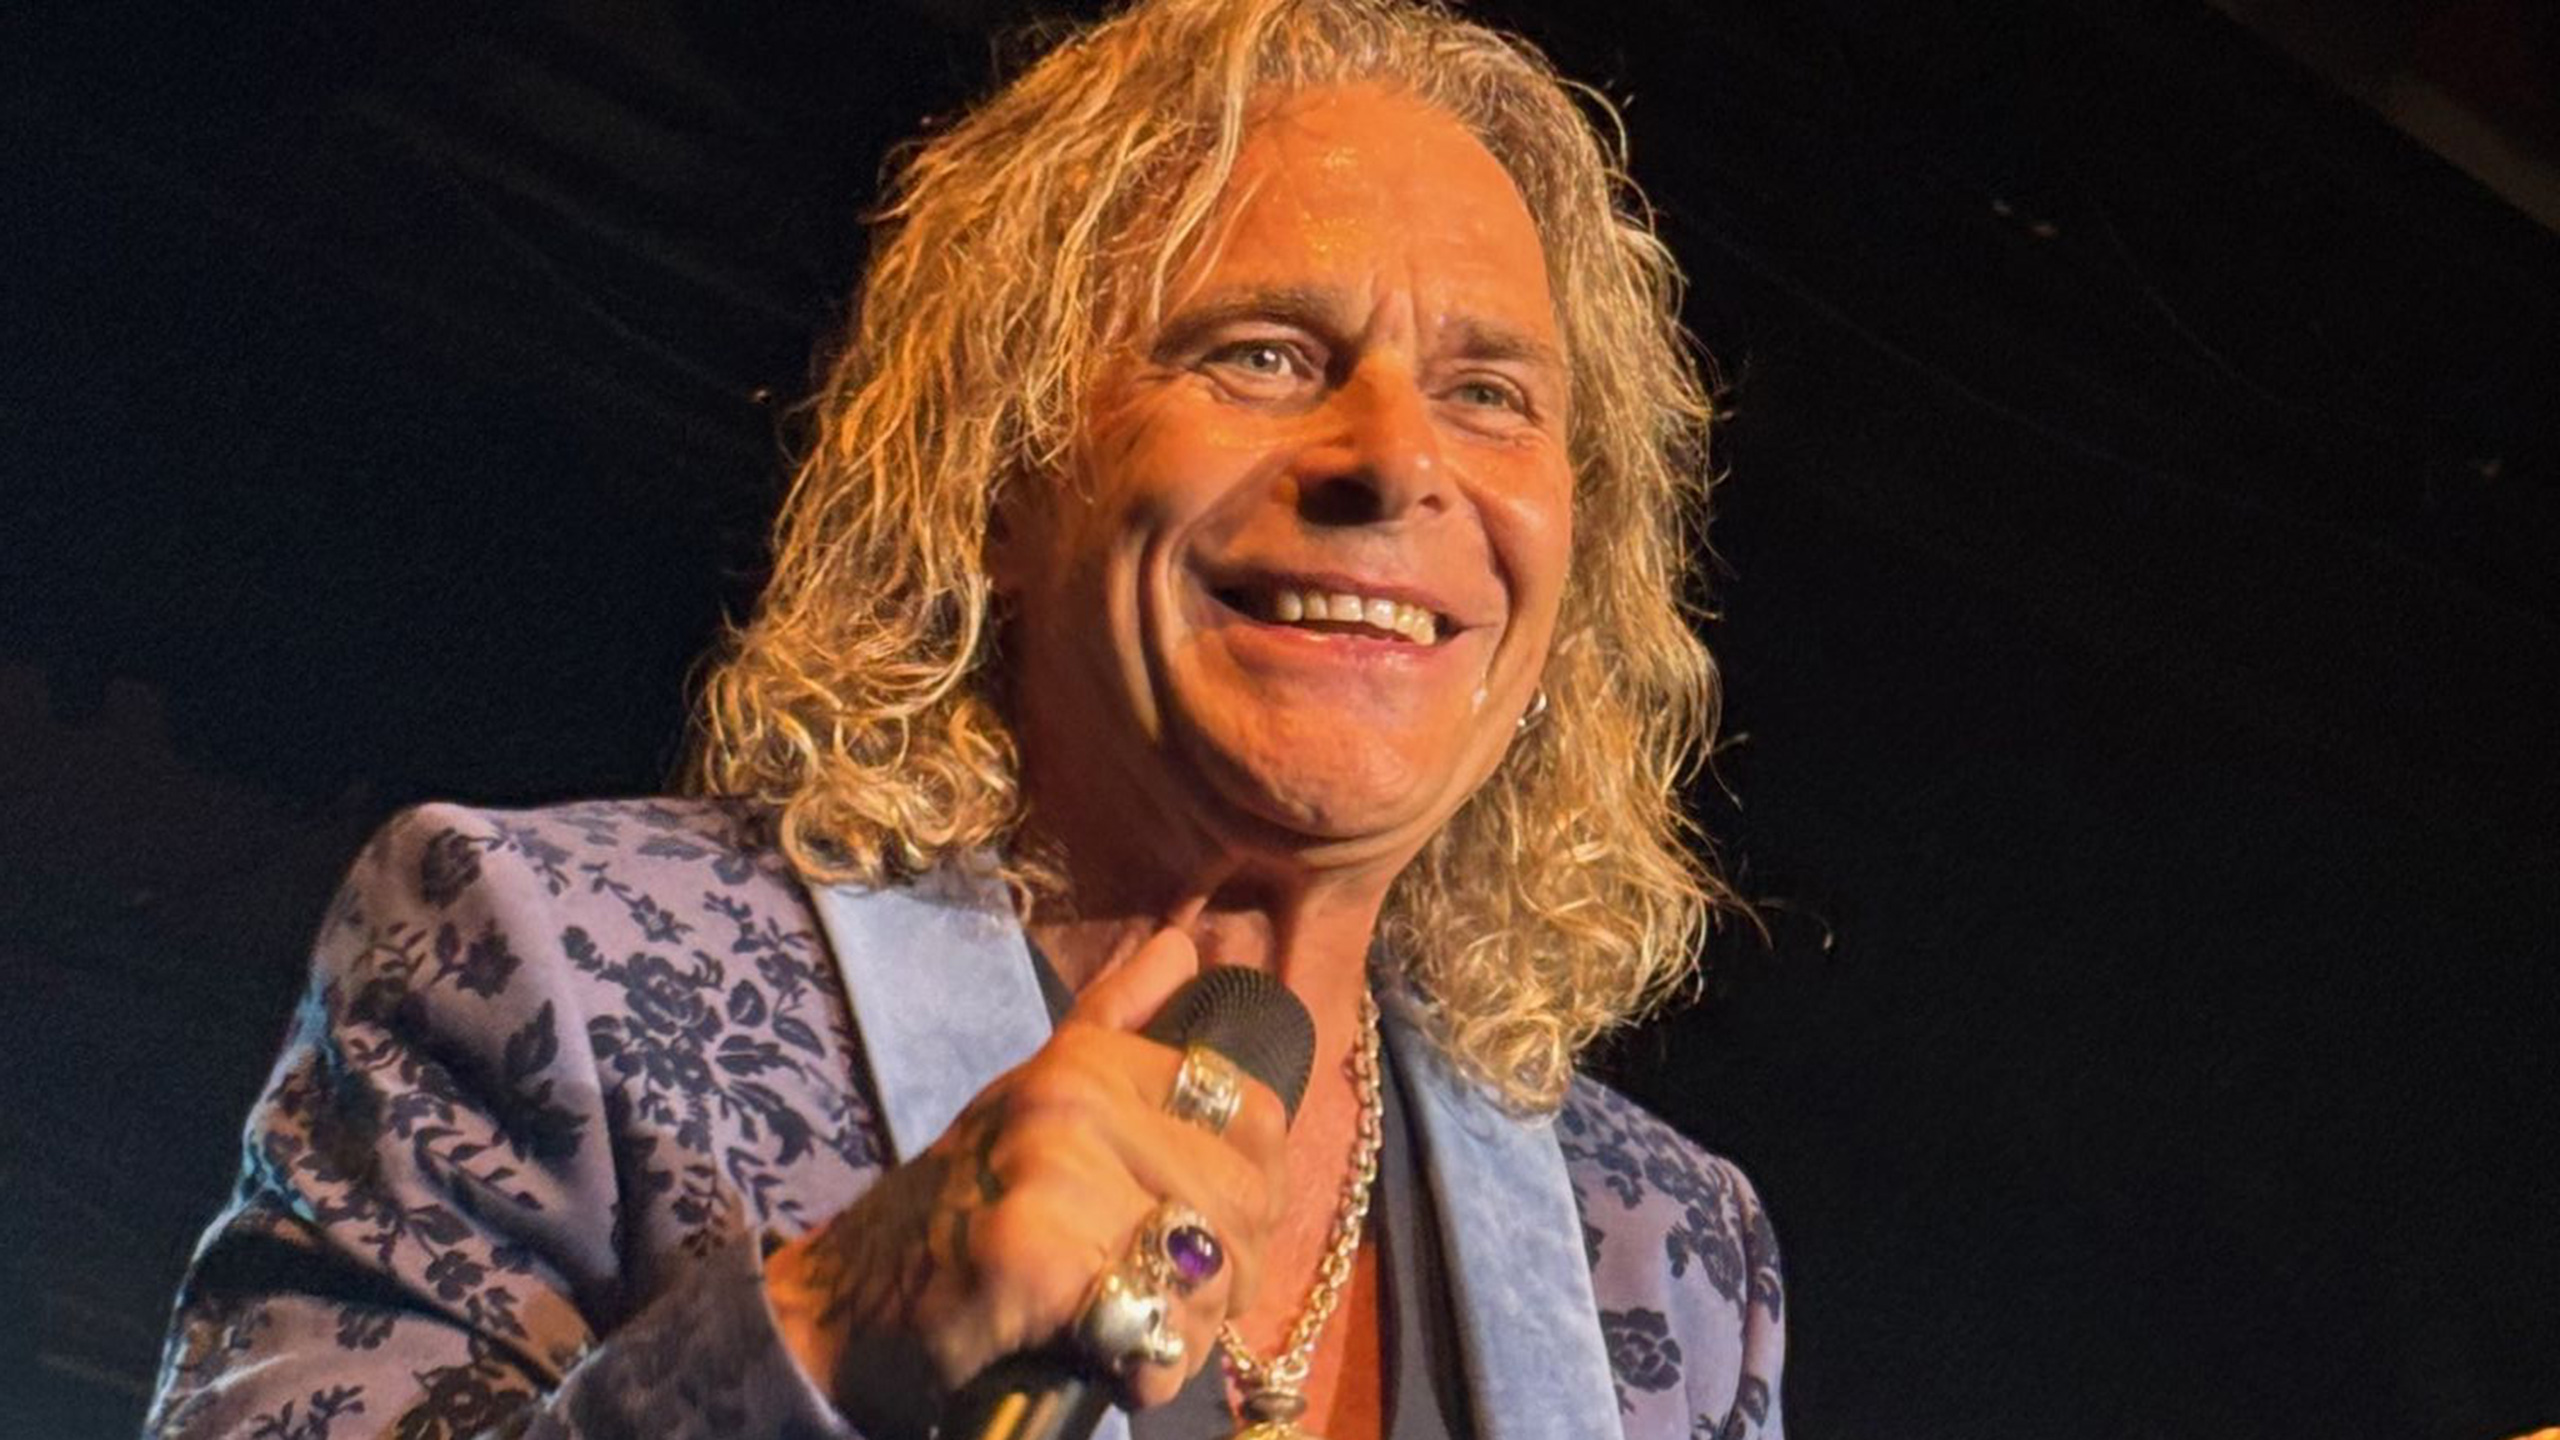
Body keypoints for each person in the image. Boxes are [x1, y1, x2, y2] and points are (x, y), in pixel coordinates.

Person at [144, 0, 1785, 1435]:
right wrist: (830, 1327)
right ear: (995, 473)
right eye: (1264, 354)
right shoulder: (554, 968)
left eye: (1491, 393)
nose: (1397, 460)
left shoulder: (1663, 1253)